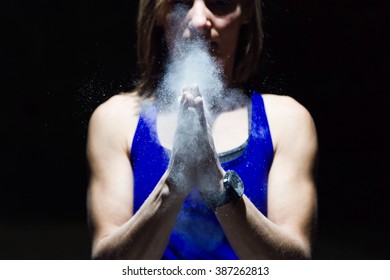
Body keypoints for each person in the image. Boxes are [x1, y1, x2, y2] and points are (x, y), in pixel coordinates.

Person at [86, 0, 318, 259]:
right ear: (158, 13)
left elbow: (296, 265)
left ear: (247, 13)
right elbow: (107, 265)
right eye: (181, 2)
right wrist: (174, 184)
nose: (198, 21)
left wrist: (218, 187)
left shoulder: (285, 121)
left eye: (220, 3)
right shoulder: (118, 119)